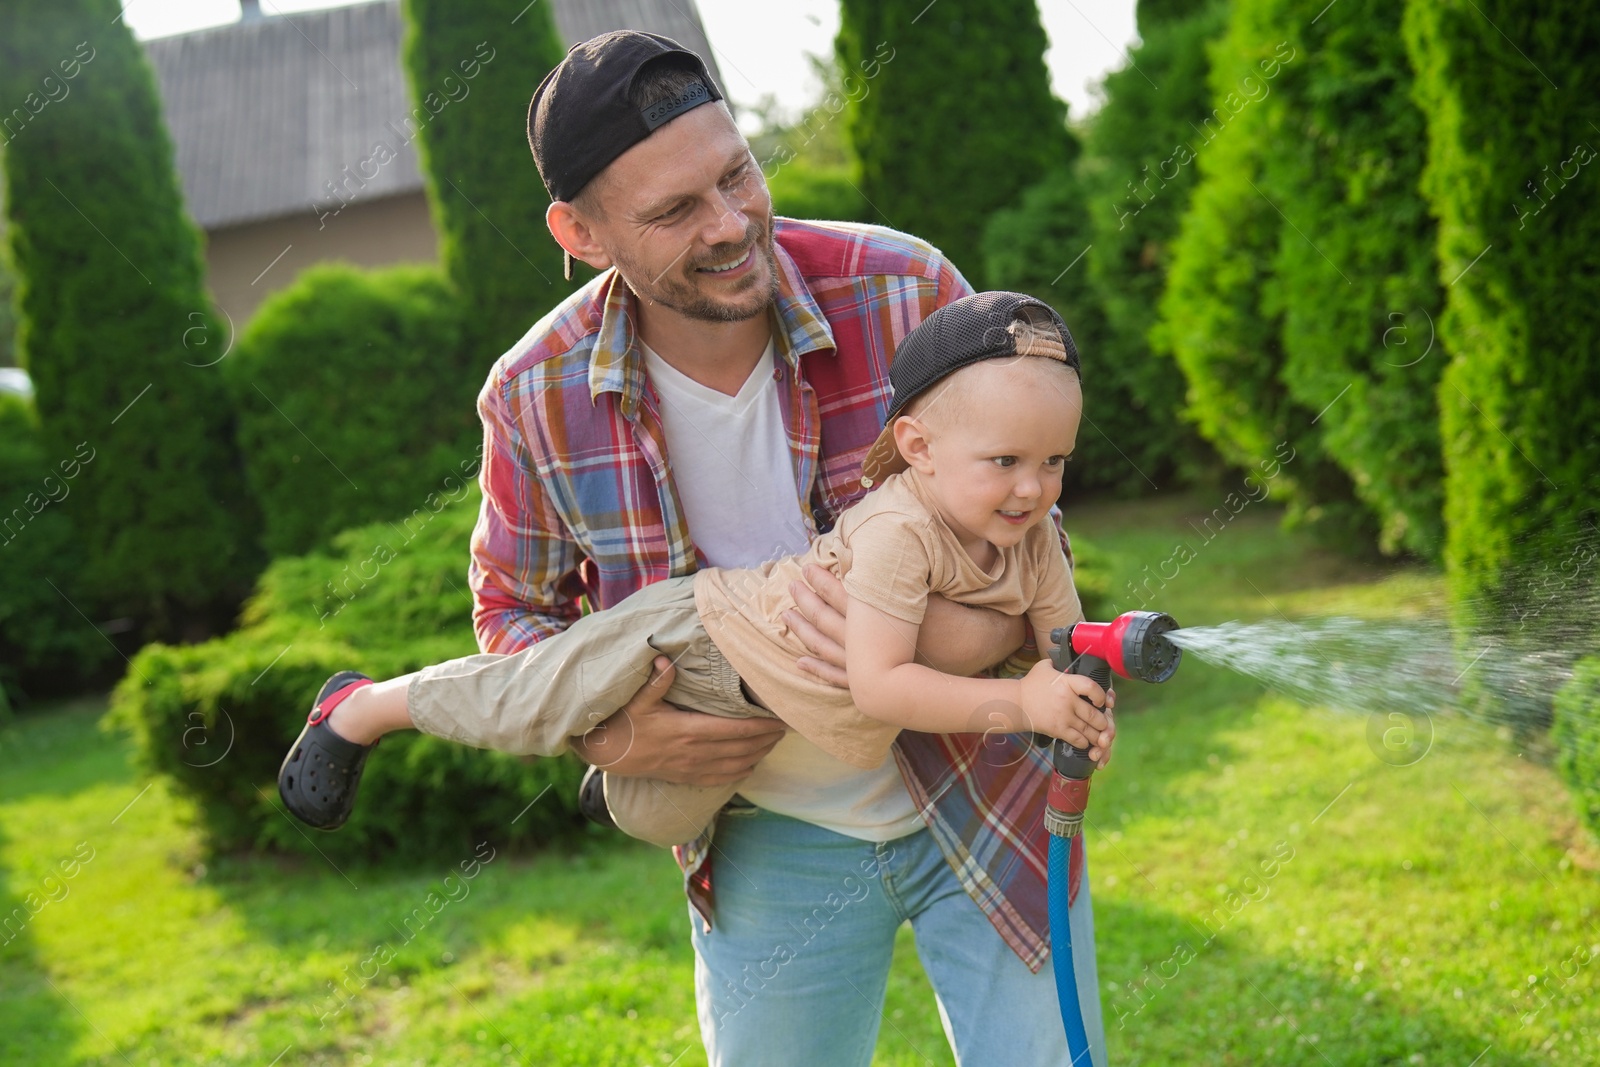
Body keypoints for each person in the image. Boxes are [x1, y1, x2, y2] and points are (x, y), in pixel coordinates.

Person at [286, 31, 1114, 1066]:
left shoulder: (902, 288)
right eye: (676, 210)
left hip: (988, 793)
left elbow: (1037, 525)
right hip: (766, 834)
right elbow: (512, 618)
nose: (731, 225)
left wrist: (933, 633)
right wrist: (616, 739)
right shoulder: (535, 393)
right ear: (579, 232)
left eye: (736, 175)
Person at [279, 292, 1113, 859]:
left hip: (760, 712)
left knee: (655, 813)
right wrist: (1022, 700)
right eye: (1005, 460)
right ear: (922, 449)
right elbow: (885, 686)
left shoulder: (1031, 532)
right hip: (697, 636)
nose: (1034, 487)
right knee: (523, 702)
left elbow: (1061, 648)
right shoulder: (902, 528)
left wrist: (1077, 701)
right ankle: (362, 708)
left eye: (1054, 461)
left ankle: (609, 789)